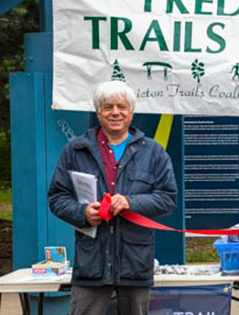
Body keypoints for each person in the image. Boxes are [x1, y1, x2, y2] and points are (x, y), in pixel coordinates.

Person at [48, 81, 178, 315]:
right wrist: (83, 213)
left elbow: (167, 198)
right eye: (108, 107)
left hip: (135, 262)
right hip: (91, 263)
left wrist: (131, 202)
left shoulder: (154, 151)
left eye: (122, 106)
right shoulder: (76, 150)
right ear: (98, 112)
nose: (115, 112)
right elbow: (57, 197)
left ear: (131, 112)